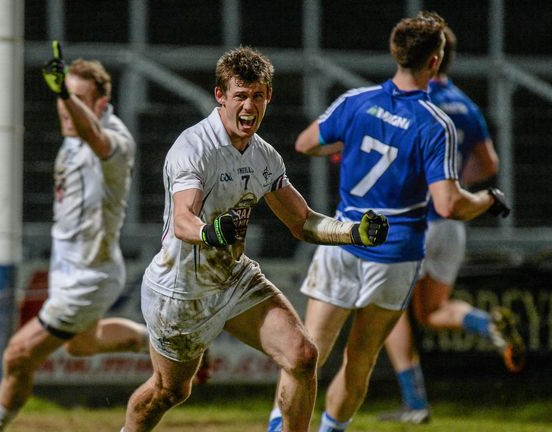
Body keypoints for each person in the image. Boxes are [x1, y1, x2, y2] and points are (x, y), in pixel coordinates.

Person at [122, 46, 389, 432]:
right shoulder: (194, 148)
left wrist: (353, 232)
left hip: (233, 280)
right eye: (240, 96)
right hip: (182, 293)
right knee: (170, 392)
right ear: (220, 96)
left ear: (269, 98)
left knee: (302, 356)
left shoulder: (265, 157)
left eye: (258, 96)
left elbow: (302, 222)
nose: (249, 106)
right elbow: (183, 219)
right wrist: (208, 231)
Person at [266, 12, 511, 432]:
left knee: (307, 352)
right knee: (359, 358)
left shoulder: (356, 101)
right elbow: (449, 204)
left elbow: (306, 143)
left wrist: (348, 147)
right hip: (394, 254)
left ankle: (277, 427)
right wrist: (487, 200)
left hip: (342, 240)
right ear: (434, 62)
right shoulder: (436, 124)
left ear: (395, 53)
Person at [0, 42, 153, 432]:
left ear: (102, 103)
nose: (64, 106)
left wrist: (65, 95)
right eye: (62, 95)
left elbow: (97, 140)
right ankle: (154, 341)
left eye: (78, 98)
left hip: (89, 277)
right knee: (80, 345)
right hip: (70, 268)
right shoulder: (72, 132)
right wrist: (69, 99)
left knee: (18, 355)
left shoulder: (115, 141)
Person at [377, 26, 525, 424]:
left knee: (388, 311)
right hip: (452, 222)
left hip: (416, 223)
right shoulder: (463, 103)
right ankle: (487, 322)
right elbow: (489, 164)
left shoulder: (410, 98)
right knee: (431, 310)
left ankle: (415, 403)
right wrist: (453, 185)